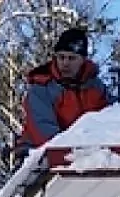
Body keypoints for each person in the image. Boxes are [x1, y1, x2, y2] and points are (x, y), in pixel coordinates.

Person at [16, 28, 112, 159]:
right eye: (61, 57)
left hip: (83, 155)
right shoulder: (41, 89)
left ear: (82, 60)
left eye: (71, 58)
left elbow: (111, 121)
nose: (65, 63)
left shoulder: (96, 88)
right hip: (37, 155)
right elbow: (44, 132)